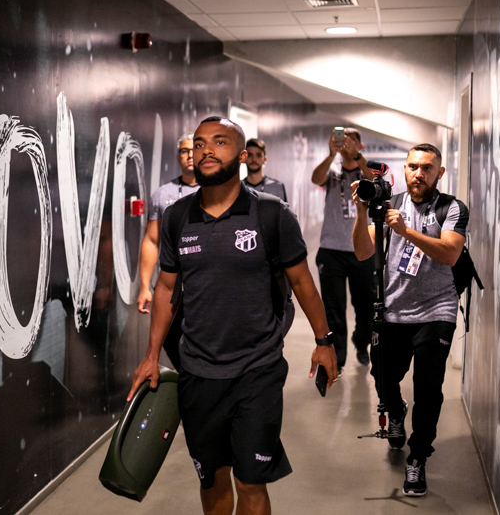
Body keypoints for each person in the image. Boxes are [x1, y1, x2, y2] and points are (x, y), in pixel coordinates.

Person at [128, 116, 337, 515]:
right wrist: (152, 354)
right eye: (201, 143)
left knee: (250, 480)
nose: (206, 150)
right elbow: (168, 288)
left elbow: (302, 282)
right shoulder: (176, 217)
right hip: (198, 371)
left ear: (242, 156)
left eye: (219, 142)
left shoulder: (272, 215)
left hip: (257, 369)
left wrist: (324, 342)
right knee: (213, 478)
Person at [351, 143, 468, 497]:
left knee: (428, 388)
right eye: (413, 167)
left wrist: (405, 232)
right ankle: (397, 409)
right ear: (404, 170)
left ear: (439, 173)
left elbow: (449, 253)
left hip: (437, 310)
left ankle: (418, 458)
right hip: (393, 310)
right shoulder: (388, 205)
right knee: (383, 377)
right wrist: (361, 213)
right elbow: (362, 251)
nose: (419, 173)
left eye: (427, 168)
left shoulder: (452, 208)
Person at [311, 127, 375, 373]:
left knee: (365, 305)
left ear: (359, 146)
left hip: (362, 249)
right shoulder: (332, 171)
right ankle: (338, 357)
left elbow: (374, 179)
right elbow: (316, 178)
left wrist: (357, 158)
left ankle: (361, 343)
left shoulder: (365, 170)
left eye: (351, 141)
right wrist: (331, 154)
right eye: (341, 139)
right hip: (331, 250)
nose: (345, 144)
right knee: (334, 307)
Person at [137, 134, 200, 314]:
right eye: (184, 151)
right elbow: (151, 240)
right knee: (170, 339)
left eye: (194, 150)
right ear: (178, 157)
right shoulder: (162, 194)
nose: (189, 155)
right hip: (170, 283)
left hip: (205, 284)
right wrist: (144, 287)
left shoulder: (215, 192)